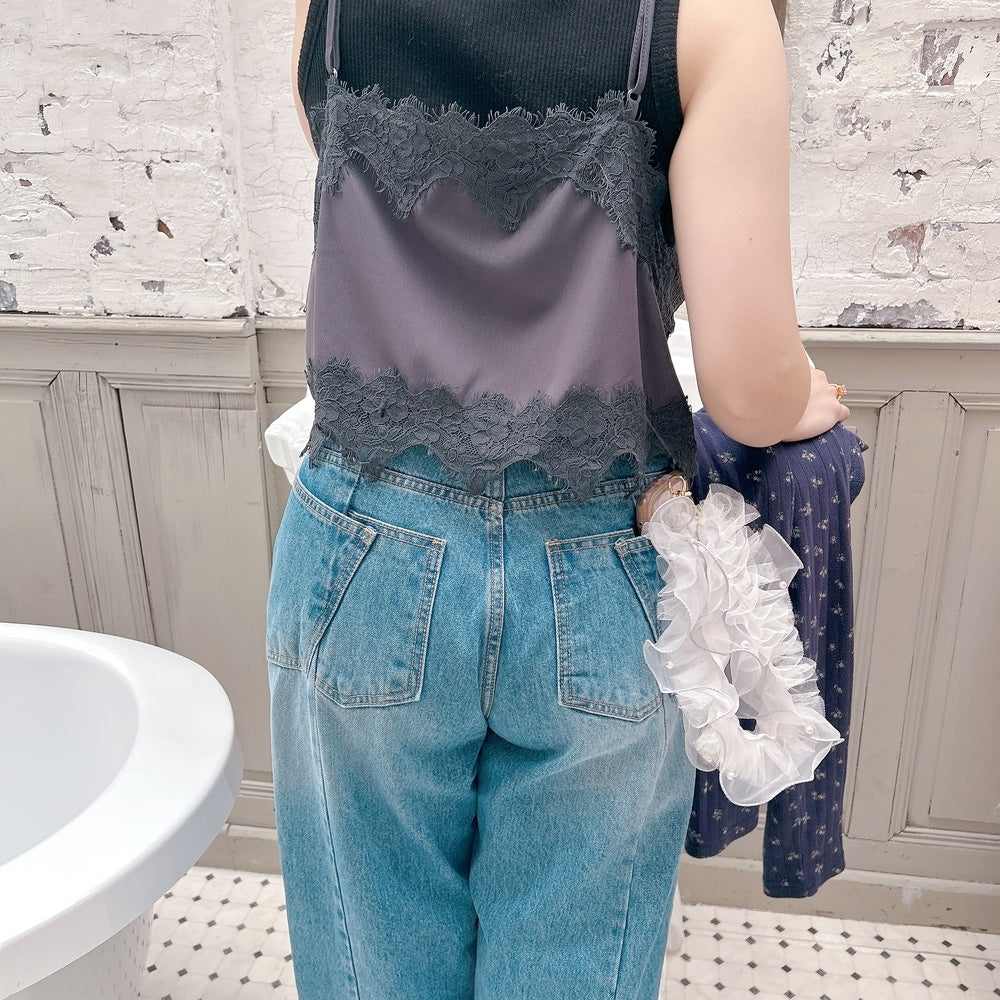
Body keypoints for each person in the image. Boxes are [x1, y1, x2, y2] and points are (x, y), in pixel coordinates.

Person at [266, 1, 852, 998]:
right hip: (598, 556)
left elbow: (370, 199)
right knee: (576, 964)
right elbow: (749, 391)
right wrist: (796, 397)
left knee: (368, 956)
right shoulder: (713, 19)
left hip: (362, 543)